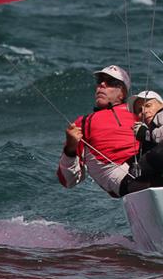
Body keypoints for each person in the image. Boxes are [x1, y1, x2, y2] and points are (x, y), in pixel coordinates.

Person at [56, 65, 145, 198]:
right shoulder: (83, 123)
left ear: (122, 93)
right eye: (100, 81)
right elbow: (68, 181)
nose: (102, 85)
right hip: (123, 176)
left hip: (150, 160)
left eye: (110, 82)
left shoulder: (140, 110)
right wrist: (70, 148)